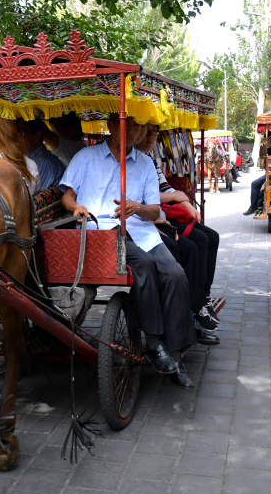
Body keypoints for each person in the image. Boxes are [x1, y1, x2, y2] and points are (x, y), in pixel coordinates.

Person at [60, 116, 204, 389]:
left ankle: (174, 352)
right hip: (100, 231)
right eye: (127, 125)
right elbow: (67, 195)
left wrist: (137, 207)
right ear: (111, 126)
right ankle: (155, 340)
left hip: (140, 230)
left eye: (137, 127)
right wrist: (74, 207)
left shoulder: (146, 163)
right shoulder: (86, 157)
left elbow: (155, 211)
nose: (133, 132)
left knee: (176, 275)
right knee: (145, 267)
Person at [135, 123, 223, 330]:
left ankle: (204, 295)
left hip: (161, 213)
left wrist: (185, 202)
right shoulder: (131, 162)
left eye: (154, 134)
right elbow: (139, 197)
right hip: (146, 218)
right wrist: (176, 197)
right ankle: (195, 304)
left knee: (212, 237)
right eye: (146, 133)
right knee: (196, 243)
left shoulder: (149, 161)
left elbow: (165, 186)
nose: (150, 138)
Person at [20, 120, 66, 190]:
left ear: (37, 136)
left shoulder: (43, 161)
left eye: (22, 134)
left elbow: (33, 197)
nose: (16, 139)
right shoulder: (34, 159)